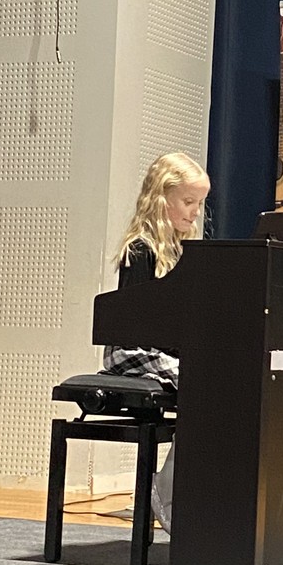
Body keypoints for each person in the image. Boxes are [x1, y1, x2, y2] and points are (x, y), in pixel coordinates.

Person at [102, 152, 210, 534]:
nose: (196, 212)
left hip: (162, 352)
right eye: (189, 201)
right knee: (204, 385)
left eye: (200, 203)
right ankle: (167, 492)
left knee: (223, 383)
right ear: (161, 199)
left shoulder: (184, 252)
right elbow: (136, 327)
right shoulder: (140, 249)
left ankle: (196, 491)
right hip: (132, 352)